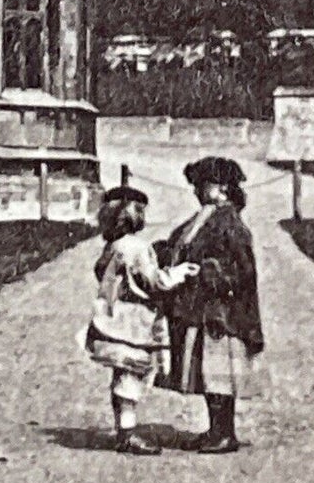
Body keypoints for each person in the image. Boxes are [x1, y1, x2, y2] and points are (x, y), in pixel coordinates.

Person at [155, 156, 265, 454]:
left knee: (218, 374)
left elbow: (242, 269)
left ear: (221, 188)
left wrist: (211, 272)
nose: (195, 191)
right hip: (201, 308)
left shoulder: (228, 222)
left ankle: (225, 433)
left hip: (220, 313)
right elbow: (181, 245)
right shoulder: (205, 217)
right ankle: (215, 429)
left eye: (201, 185)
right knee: (205, 370)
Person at [85, 185, 199, 455]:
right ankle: (127, 434)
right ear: (131, 214)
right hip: (134, 322)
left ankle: (122, 428)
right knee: (131, 375)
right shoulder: (137, 247)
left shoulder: (112, 245)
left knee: (121, 373)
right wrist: (180, 272)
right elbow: (154, 282)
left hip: (114, 315)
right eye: (140, 210)